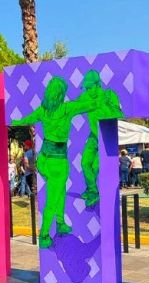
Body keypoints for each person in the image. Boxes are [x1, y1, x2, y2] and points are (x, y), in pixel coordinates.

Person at [11, 77, 110, 248]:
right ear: (62, 93)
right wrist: (102, 96)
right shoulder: (66, 108)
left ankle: (61, 222)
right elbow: (89, 106)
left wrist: (15, 122)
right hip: (57, 161)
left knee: (59, 190)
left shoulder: (44, 110)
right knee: (53, 198)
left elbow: (25, 119)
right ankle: (44, 235)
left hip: (43, 160)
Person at [80, 70, 123, 206]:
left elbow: (119, 112)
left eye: (90, 87)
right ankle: (92, 190)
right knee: (84, 163)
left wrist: (105, 109)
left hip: (106, 138)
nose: (87, 90)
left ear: (98, 84)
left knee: (95, 166)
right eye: (86, 88)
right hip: (93, 137)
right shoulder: (85, 97)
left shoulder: (108, 95)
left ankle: (93, 192)